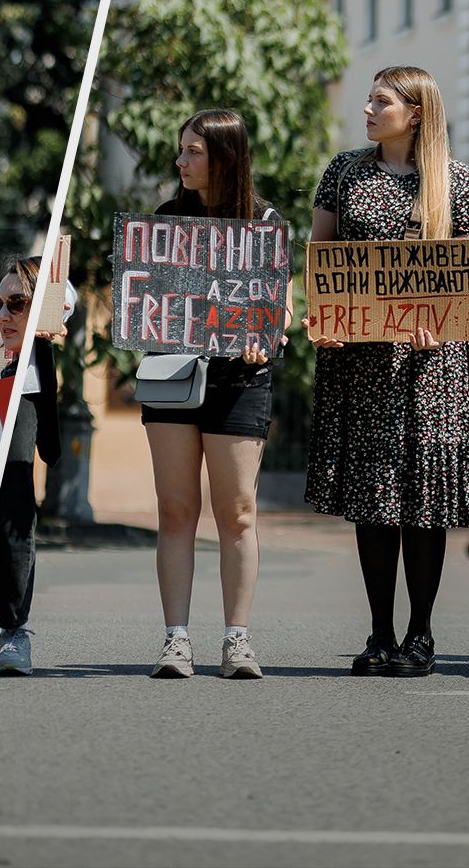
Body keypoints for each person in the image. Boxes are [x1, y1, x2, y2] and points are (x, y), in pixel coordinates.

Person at [306, 67, 469, 677]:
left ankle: (421, 634)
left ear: (414, 114)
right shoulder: (344, 171)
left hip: (432, 366)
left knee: (422, 500)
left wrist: (446, 324)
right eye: (370, 98)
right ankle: (380, 631)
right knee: (374, 497)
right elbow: (323, 260)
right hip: (362, 362)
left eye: (381, 101)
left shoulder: (457, 183)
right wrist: (324, 316)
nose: (368, 108)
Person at [130, 109, 281, 681]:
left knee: (237, 511)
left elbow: (277, 304)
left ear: (225, 156)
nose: (181, 161)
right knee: (175, 510)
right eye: (181, 150)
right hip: (172, 376)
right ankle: (176, 639)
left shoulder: (265, 220)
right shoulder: (167, 221)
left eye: (193, 151)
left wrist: (265, 337)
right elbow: (146, 297)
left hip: (240, 381)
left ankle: (237, 640)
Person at [0, 255, 65, 677]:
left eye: (17, 304)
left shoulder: (39, 347)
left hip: (21, 399)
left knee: (13, 515)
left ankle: (14, 631)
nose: (3, 315)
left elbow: (67, 295)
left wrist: (52, 316)